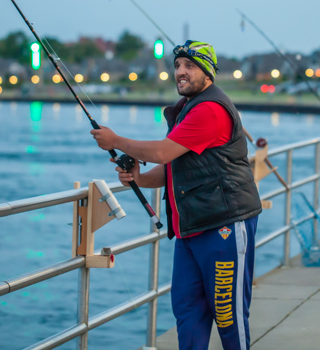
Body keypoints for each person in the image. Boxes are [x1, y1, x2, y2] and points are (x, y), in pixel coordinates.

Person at [90, 40, 262, 350]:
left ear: (208, 73)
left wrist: (115, 139)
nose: (180, 72)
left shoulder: (210, 110)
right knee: (187, 311)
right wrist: (139, 178)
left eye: (189, 66)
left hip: (224, 224)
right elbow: (173, 170)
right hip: (190, 230)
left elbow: (160, 151)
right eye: (177, 66)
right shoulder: (186, 111)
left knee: (228, 316)